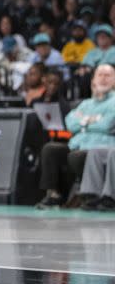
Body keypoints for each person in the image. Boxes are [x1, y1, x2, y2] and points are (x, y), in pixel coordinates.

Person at [36, 64, 115, 209]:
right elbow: (70, 124)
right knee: (51, 149)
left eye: (108, 75)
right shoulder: (86, 103)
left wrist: (82, 121)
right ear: (93, 80)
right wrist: (92, 120)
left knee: (76, 156)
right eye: (100, 75)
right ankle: (54, 194)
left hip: (98, 148)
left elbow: (107, 125)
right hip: (76, 145)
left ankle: (86, 195)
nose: (103, 79)